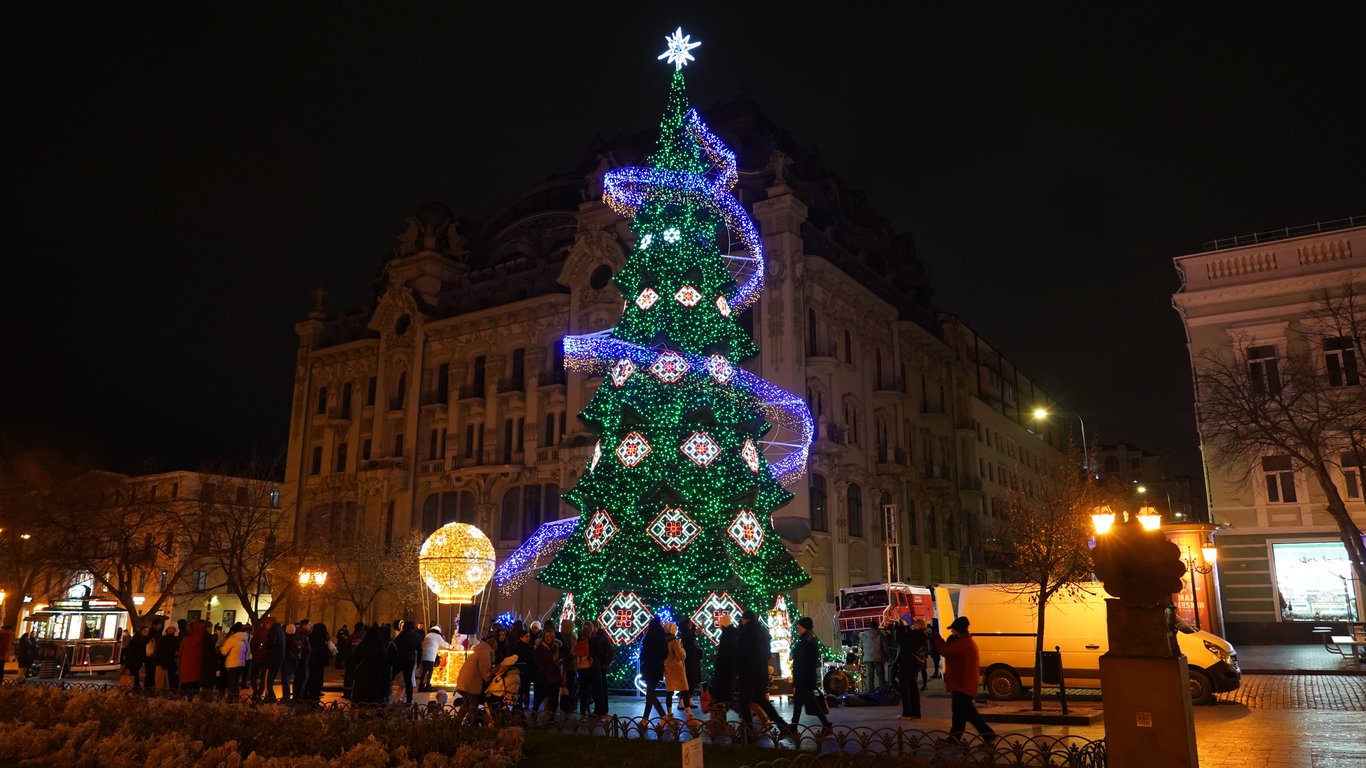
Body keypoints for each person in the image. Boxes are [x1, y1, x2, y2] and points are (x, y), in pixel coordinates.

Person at [934, 616, 996, 744]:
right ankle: (954, 738)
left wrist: (936, 638)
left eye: (953, 630)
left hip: (963, 684)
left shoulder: (963, 643)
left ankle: (988, 734)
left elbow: (945, 651)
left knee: (968, 713)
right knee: (959, 713)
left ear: (958, 630)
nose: (952, 632)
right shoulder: (965, 641)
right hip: (964, 683)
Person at [737, 610, 793, 741]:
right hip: (760, 671)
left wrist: (738, 668)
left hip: (748, 672)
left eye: (742, 619)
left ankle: (749, 733)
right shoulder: (762, 632)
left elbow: (742, 654)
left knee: (744, 701)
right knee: (760, 699)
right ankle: (783, 726)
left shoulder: (745, 633)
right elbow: (767, 654)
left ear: (746, 620)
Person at [790, 616, 833, 730]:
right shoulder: (806, 640)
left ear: (805, 627)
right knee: (800, 702)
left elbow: (805, 660)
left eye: (800, 626)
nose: (798, 628)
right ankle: (794, 724)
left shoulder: (807, 641)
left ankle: (826, 724)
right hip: (804, 676)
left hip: (804, 677)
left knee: (809, 701)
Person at [455, 632, 500, 725]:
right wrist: (494, 671)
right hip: (471, 684)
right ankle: (471, 724)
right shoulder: (485, 653)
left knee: (466, 704)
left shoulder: (480, 650)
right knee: (473, 705)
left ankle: (457, 723)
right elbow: (486, 674)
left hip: (464, 682)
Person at [895, 618, 929, 720]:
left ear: (919, 625)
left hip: (907, 663)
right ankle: (915, 712)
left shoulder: (915, 635)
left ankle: (907, 713)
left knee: (905, 689)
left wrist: (901, 627)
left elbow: (900, 639)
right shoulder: (922, 635)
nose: (913, 624)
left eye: (915, 623)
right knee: (913, 688)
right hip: (914, 665)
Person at [638, 617, 669, 723]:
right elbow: (665, 654)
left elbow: (643, 654)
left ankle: (663, 716)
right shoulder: (662, 637)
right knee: (650, 693)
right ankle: (645, 719)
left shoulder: (648, 637)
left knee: (650, 693)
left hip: (648, 667)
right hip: (657, 667)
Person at [662, 621, 691, 721]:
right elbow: (681, 656)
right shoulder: (674, 641)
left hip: (668, 669)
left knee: (669, 692)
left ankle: (669, 713)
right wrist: (682, 648)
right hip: (678, 670)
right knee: (685, 690)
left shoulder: (663, 641)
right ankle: (688, 713)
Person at [531, 627, 563, 713]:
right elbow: (539, 662)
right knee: (538, 699)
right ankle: (534, 716)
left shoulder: (555, 647)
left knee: (554, 701)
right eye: (546, 636)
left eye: (550, 636)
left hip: (554, 678)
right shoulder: (539, 648)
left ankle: (551, 719)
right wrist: (551, 660)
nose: (548, 638)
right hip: (543, 678)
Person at [711, 614, 739, 707]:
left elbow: (725, 652)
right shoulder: (733, 633)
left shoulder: (727, 635)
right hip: (731, 666)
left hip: (725, 666)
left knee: (725, 689)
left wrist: (718, 657)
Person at [218, 622, 251, 698]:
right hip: (241, 663)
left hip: (232, 664)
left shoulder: (232, 639)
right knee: (236, 682)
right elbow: (247, 651)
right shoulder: (244, 639)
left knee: (231, 682)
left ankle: (231, 698)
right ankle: (236, 697)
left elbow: (224, 652)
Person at [394, 620, 422, 703]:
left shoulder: (402, 635)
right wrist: (419, 661)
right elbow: (419, 649)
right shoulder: (415, 636)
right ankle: (409, 699)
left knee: (394, 675)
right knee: (408, 679)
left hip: (401, 658)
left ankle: (388, 694)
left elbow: (395, 644)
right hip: (410, 659)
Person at [304, 622, 334, 701]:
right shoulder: (322, 640)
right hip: (319, 663)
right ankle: (314, 699)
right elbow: (323, 653)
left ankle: (306, 696)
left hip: (310, 662)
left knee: (309, 679)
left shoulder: (310, 637)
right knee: (317, 681)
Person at [678, 617, 702, 714]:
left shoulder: (690, 635)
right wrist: (696, 632)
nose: (691, 625)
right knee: (686, 681)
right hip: (688, 661)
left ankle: (690, 699)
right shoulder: (685, 636)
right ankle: (682, 701)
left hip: (694, 661)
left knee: (692, 680)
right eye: (689, 624)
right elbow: (689, 639)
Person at [419, 625, 451, 693]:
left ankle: (420, 686)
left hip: (424, 656)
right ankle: (428, 686)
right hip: (430, 657)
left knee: (424, 672)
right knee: (430, 672)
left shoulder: (427, 635)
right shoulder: (437, 636)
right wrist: (451, 646)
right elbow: (443, 644)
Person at [179, 620, 207, 692]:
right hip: (198, 668)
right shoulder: (203, 640)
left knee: (186, 689)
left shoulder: (186, 639)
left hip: (186, 667)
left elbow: (181, 652)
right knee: (194, 688)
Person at [859, 624, 888, 693]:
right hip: (879, 658)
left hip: (867, 659)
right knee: (881, 676)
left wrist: (862, 657)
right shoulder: (881, 635)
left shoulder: (863, 635)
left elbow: (860, 647)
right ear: (877, 627)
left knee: (870, 677)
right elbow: (885, 647)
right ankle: (882, 691)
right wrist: (888, 656)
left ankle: (871, 691)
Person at [153, 623, 180, 690]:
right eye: (169, 628)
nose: (171, 630)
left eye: (172, 629)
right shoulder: (163, 639)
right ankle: (159, 693)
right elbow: (161, 650)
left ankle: (166, 693)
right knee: (160, 680)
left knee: (168, 679)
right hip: (162, 661)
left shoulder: (176, 639)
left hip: (170, 662)